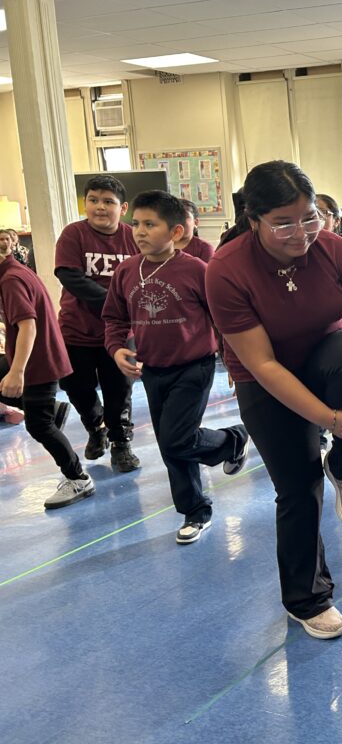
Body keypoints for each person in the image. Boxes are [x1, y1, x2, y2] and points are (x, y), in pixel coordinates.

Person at [206, 161, 342, 640]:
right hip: (264, 378)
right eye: (284, 223)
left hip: (327, 358)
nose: (301, 233)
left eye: (310, 217)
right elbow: (264, 365)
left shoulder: (335, 250)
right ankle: (307, 599)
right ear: (253, 220)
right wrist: (333, 420)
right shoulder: (226, 270)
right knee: (298, 485)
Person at [103, 191, 249, 544]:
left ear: (176, 232)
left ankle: (216, 473)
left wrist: (232, 360)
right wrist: (116, 348)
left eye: (150, 224)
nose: (139, 231)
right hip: (153, 371)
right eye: (135, 223)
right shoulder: (126, 271)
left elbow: (221, 320)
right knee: (173, 446)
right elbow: (113, 317)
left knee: (175, 439)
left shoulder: (197, 270)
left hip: (194, 367)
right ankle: (212, 477)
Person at [54, 174, 140, 472]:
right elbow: (70, 277)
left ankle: (121, 442)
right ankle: (95, 428)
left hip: (119, 334)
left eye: (108, 202)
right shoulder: (73, 234)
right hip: (77, 330)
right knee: (76, 387)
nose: (100, 207)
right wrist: (115, 303)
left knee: (120, 389)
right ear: (85, 203)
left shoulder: (132, 236)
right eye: (93, 200)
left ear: (123, 207)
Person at [0, 225, 87, 508]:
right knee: (39, 418)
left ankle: (78, 478)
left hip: (37, 362)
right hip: (37, 357)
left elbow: (28, 326)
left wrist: (17, 371)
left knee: (39, 426)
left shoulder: (11, 279)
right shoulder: (13, 273)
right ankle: (54, 410)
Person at [175, 198, 214, 262]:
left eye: (183, 216)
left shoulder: (205, 249)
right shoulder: (160, 246)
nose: (178, 221)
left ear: (195, 222)